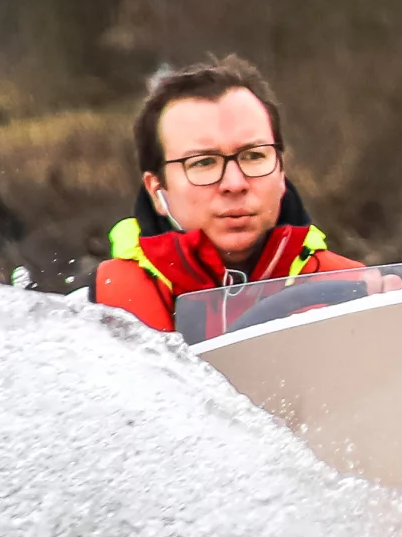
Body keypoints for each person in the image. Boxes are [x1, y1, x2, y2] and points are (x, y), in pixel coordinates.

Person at [94, 57, 361, 333]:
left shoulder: (357, 291)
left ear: (282, 171)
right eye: (203, 162)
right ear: (157, 190)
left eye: (254, 155)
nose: (235, 183)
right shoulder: (93, 313)